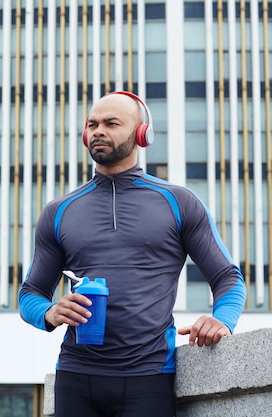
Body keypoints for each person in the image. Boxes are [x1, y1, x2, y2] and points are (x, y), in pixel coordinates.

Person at [18, 91, 246, 417]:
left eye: (111, 123)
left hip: (150, 377)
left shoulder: (179, 202)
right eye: (92, 124)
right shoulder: (58, 211)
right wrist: (51, 313)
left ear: (142, 133)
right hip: (75, 376)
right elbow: (30, 294)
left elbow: (228, 279)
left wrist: (222, 320)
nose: (98, 131)